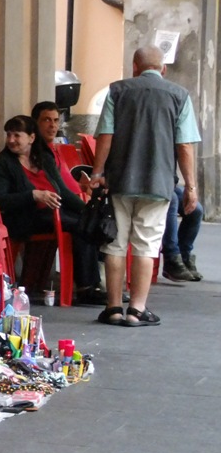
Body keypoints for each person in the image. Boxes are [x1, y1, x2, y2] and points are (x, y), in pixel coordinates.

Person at [90, 45, 200, 326]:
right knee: (146, 246)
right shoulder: (180, 95)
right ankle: (137, 310)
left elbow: (105, 135)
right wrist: (191, 186)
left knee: (115, 244)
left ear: (134, 67)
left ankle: (114, 308)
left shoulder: (117, 91)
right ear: (163, 69)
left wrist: (98, 171)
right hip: (158, 182)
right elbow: (184, 146)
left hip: (120, 180)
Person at [0, 115, 102, 302]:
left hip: (52, 214)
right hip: (23, 218)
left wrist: (87, 211)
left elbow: (63, 191)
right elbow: (0, 201)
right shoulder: (3, 164)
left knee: (87, 222)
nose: (11, 140)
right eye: (9, 135)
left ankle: (91, 286)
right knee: (78, 226)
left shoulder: (44, 159)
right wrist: (34, 195)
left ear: (32, 138)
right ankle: (87, 287)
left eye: (17, 135)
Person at [31, 101, 84, 195]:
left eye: (56, 120)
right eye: (47, 120)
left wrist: (82, 186)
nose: (53, 125)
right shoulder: (37, 154)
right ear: (35, 123)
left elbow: (66, 181)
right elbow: (61, 191)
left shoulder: (56, 150)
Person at [162, 181, 204, 282]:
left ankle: (184, 256)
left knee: (196, 210)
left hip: (170, 183)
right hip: (153, 183)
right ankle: (171, 258)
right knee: (172, 201)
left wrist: (190, 188)